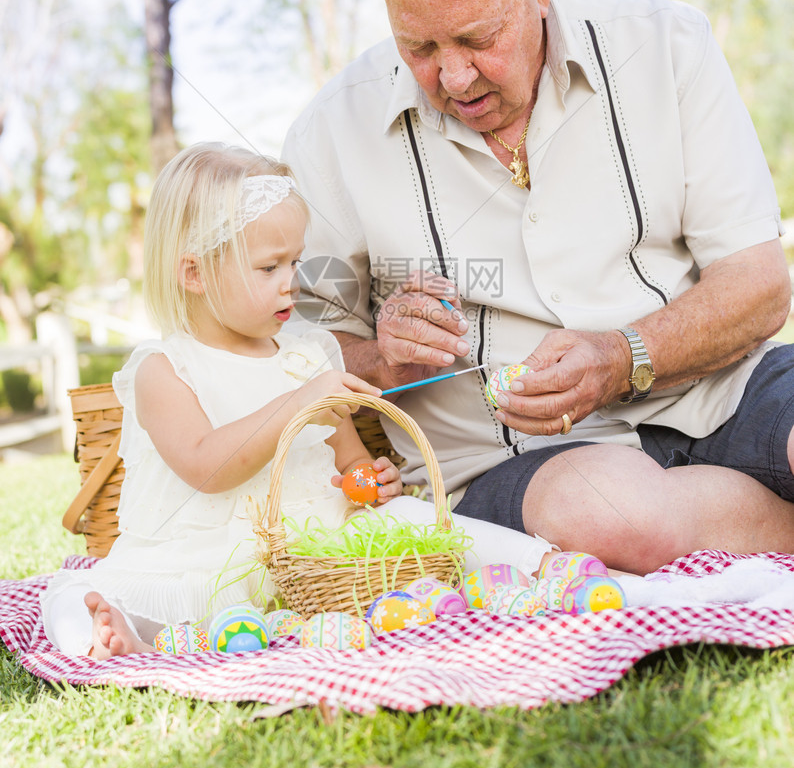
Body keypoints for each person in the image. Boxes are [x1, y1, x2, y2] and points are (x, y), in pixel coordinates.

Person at [282, 0, 794, 576]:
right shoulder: (331, 131)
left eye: (478, 38)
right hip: (512, 462)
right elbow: (297, 357)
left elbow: (760, 285)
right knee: (618, 517)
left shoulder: (670, 46)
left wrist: (622, 356)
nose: (453, 78)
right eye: (419, 46)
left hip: (722, 391)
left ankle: (725, 521)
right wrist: (385, 355)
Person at [42, 142, 559, 660]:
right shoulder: (164, 369)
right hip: (215, 556)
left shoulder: (307, 355)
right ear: (194, 273)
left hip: (317, 553)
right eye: (269, 268)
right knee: (70, 594)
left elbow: (349, 461)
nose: (292, 283)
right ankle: (111, 637)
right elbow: (205, 466)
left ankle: (548, 567)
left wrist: (372, 484)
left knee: (415, 517)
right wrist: (298, 401)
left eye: (295, 261)